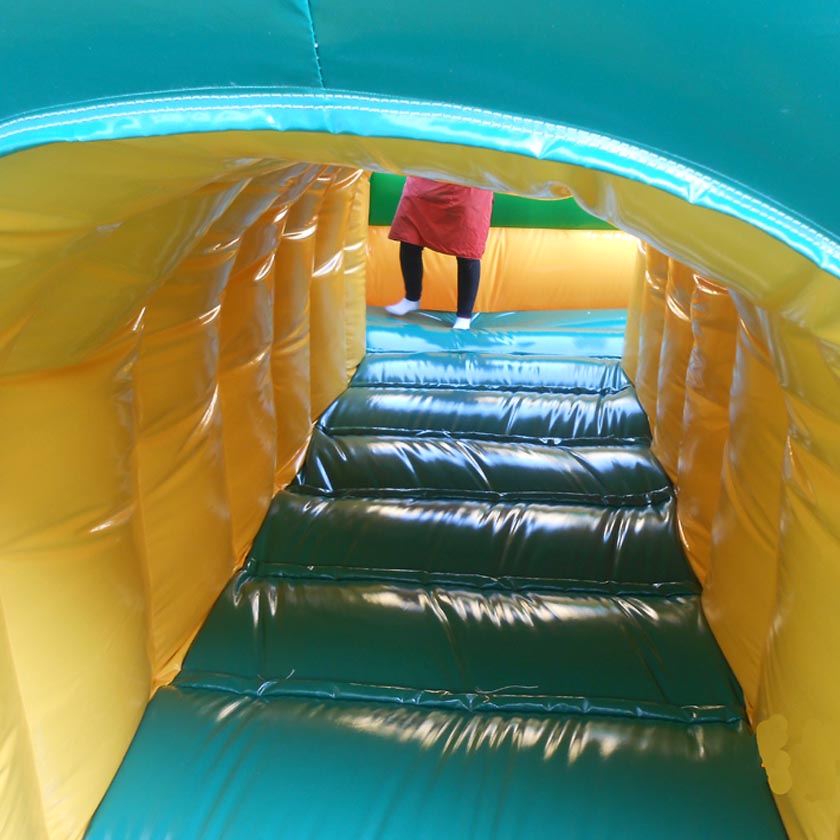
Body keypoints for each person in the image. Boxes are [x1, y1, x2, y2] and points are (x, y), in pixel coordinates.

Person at [385, 176, 494, 329]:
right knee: (409, 236)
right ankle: (411, 297)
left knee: (468, 249)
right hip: (429, 179)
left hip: (469, 183)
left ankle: (464, 315)